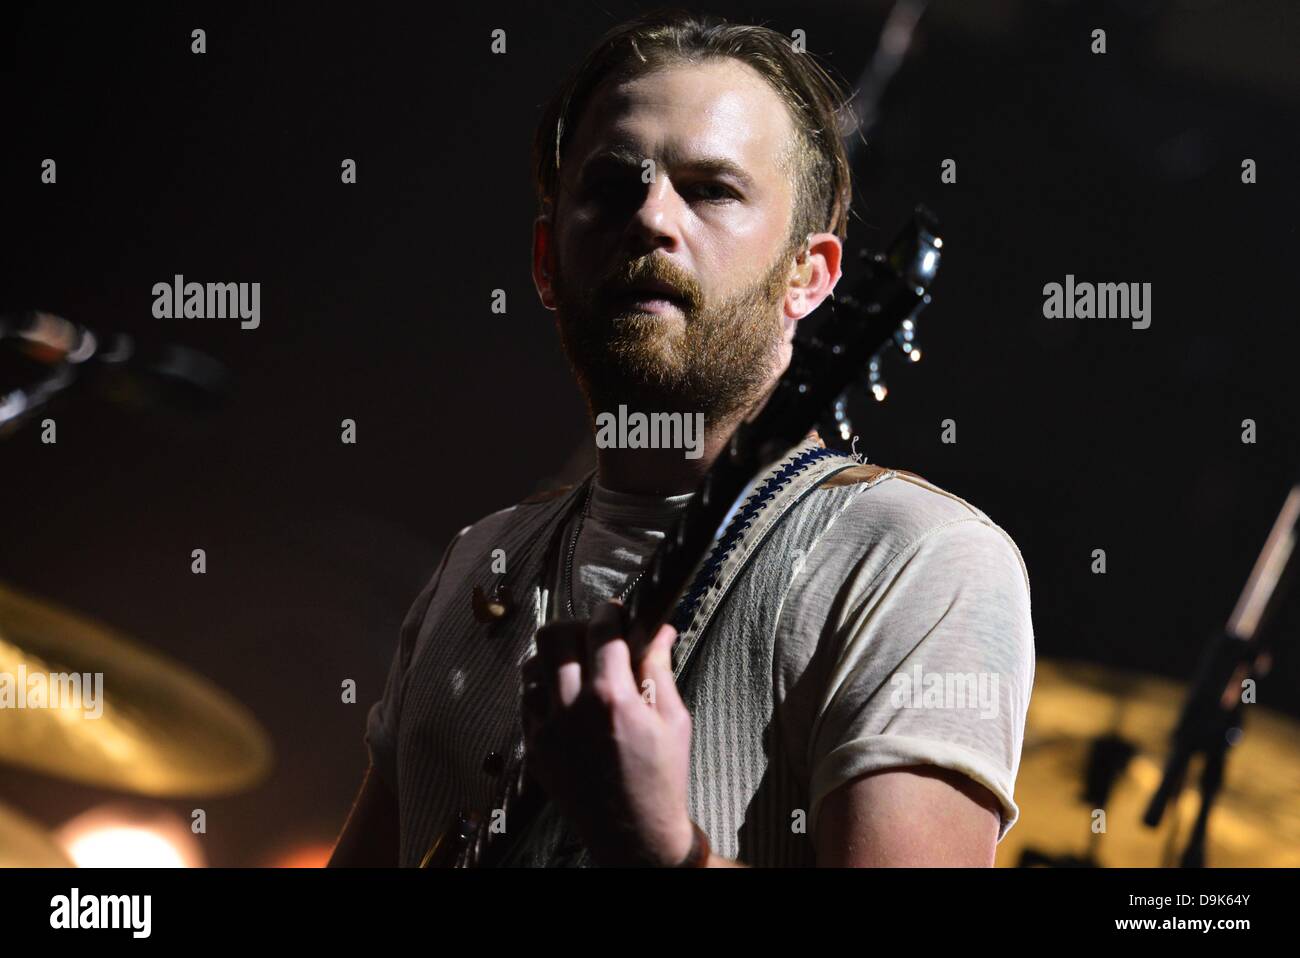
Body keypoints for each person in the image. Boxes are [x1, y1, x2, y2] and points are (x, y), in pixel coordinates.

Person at [329, 9, 1034, 868]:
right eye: (610, 186)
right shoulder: (475, 564)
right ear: (547, 261)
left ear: (809, 277)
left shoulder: (918, 562)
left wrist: (659, 846)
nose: (652, 218)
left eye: (711, 190)